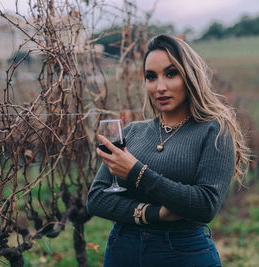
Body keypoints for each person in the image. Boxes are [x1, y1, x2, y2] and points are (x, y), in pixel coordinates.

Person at [86, 34, 249, 267]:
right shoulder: (132, 132)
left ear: (189, 76)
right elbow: (97, 198)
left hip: (183, 254)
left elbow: (205, 205)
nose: (160, 87)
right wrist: (154, 213)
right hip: (123, 251)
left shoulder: (214, 130)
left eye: (171, 74)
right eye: (151, 77)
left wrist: (136, 172)